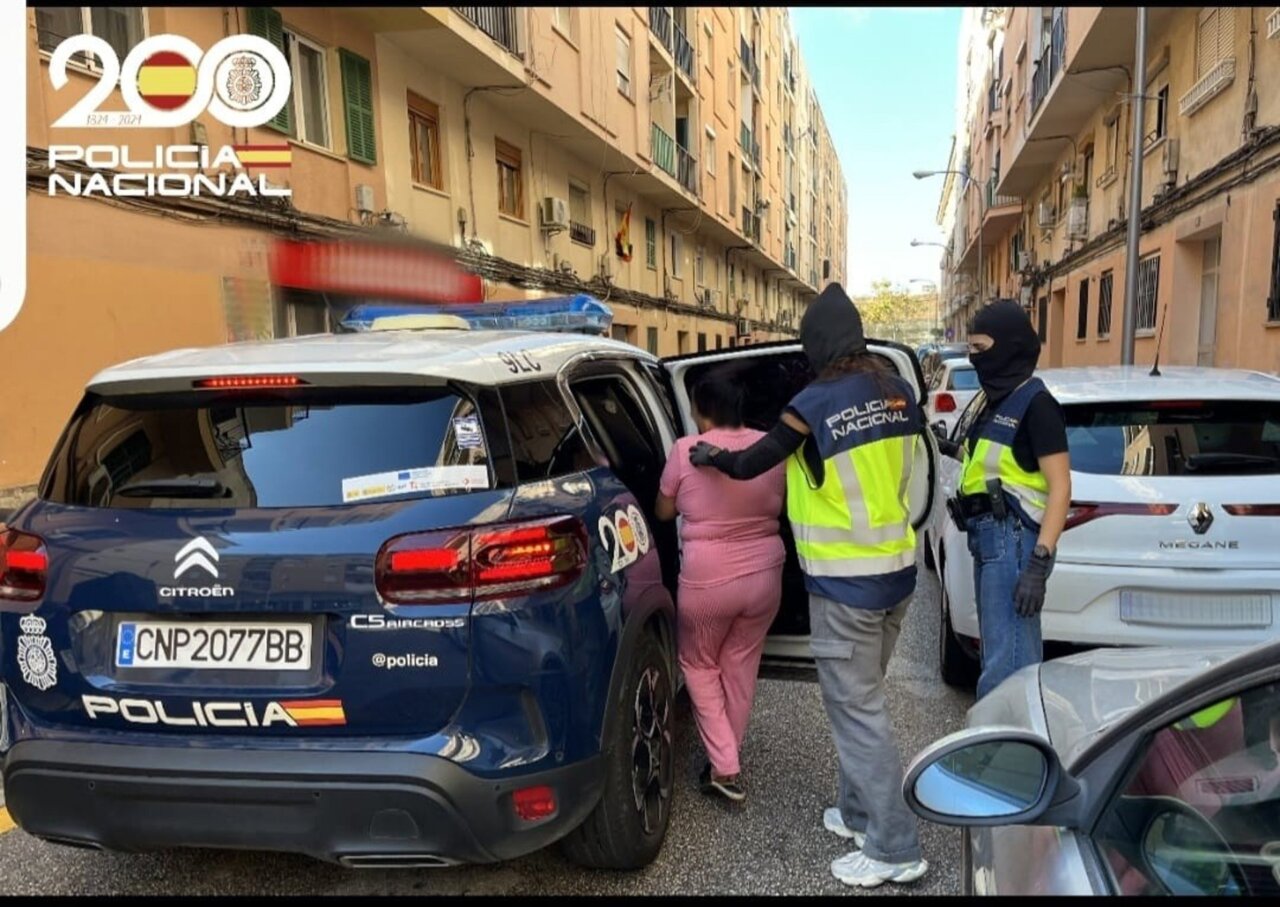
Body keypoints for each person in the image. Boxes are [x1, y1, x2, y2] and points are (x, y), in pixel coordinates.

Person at [688, 283, 928, 889]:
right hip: (898, 574)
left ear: (815, 344)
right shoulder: (897, 392)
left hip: (845, 585)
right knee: (863, 703)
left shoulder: (812, 403)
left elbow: (751, 463)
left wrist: (710, 454)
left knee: (858, 713)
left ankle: (895, 846)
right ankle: (855, 815)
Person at [655, 366, 786, 802]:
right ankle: (724, 754)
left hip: (708, 579)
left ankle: (725, 765)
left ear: (703, 410)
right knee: (740, 664)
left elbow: (663, 512)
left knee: (698, 664)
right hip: (766, 574)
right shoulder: (771, 448)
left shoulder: (686, 449)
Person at [940, 299, 1071, 699]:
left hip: (1014, 543)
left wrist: (1039, 563)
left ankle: (1001, 754)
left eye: (980, 349)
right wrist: (945, 448)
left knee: (1007, 666)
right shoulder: (997, 402)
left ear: (1010, 346)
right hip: (991, 541)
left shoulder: (1037, 404)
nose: (974, 359)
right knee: (999, 656)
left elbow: (1061, 487)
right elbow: (996, 465)